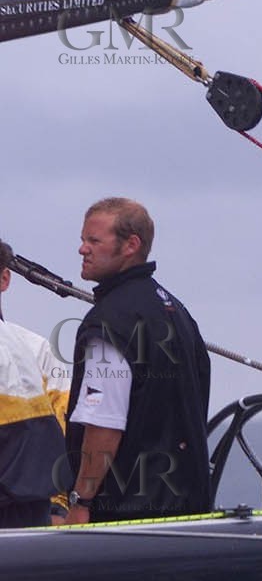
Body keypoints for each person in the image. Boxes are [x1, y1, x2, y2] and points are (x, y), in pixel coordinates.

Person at [63, 198, 212, 523]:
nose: (82, 249)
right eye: (83, 239)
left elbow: (104, 422)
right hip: (191, 514)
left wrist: (80, 500)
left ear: (131, 245)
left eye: (94, 241)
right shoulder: (178, 313)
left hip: (126, 521)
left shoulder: (110, 322)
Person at [0, 239, 68, 528]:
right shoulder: (28, 347)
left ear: (5, 279)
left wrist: (60, 506)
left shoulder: (37, 349)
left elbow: (66, 426)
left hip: (28, 513)